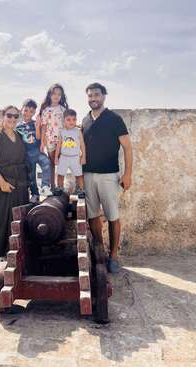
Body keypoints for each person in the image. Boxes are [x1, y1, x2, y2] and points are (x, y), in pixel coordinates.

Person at [82, 82, 133, 274]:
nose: (93, 98)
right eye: (90, 96)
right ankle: (99, 251)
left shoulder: (114, 119)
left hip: (109, 175)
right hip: (88, 175)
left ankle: (113, 256)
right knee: (93, 215)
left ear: (104, 96)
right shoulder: (85, 121)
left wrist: (127, 174)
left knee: (112, 216)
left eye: (96, 95)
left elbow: (127, 147)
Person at [0, 105, 29, 261]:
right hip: (0, 185)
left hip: (19, 185)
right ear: (3, 116)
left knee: (17, 219)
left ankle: (15, 252)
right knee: (1, 219)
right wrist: (2, 183)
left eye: (16, 117)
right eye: (9, 115)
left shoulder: (19, 135)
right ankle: (0, 254)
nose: (13, 119)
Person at [16, 99, 52, 203]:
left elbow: (38, 137)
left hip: (37, 151)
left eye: (31, 112)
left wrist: (37, 127)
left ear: (34, 112)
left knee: (46, 163)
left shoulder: (36, 123)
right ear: (21, 110)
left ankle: (45, 186)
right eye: (26, 110)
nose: (28, 113)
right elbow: (18, 142)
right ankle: (35, 193)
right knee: (31, 176)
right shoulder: (18, 127)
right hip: (27, 154)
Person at [39, 83, 69, 189]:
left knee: (62, 164)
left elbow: (67, 125)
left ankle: (60, 186)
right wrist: (42, 142)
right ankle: (52, 187)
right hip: (50, 141)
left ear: (61, 96)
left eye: (59, 94)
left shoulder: (64, 110)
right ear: (49, 95)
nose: (56, 96)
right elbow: (44, 127)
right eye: (54, 94)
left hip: (63, 141)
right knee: (52, 164)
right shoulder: (46, 110)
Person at [55, 108, 86, 196]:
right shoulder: (62, 131)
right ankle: (60, 187)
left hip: (75, 157)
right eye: (68, 120)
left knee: (79, 175)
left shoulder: (78, 131)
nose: (71, 122)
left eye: (74, 119)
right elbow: (59, 145)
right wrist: (56, 157)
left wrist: (83, 156)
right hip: (64, 157)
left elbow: (82, 145)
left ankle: (81, 189)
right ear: (64, 120)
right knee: (60, 174)